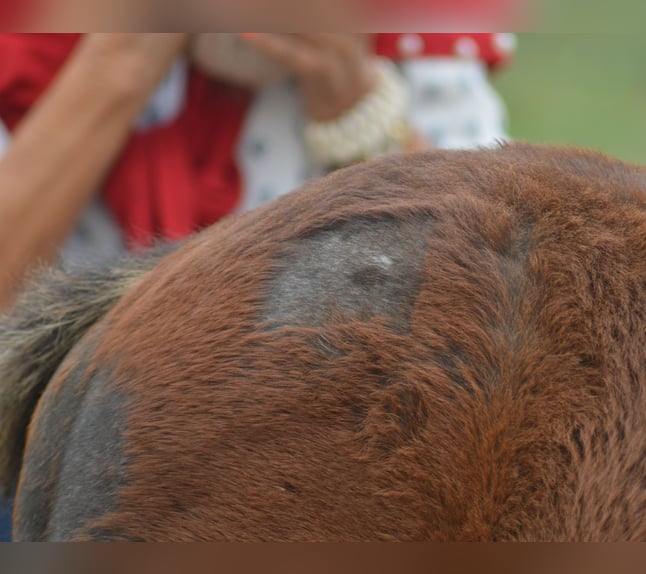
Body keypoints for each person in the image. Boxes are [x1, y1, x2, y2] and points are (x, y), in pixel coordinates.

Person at [0, 32, 514, 539]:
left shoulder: (415, 44)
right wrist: (123, 59)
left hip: (324, 461)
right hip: (45, 459)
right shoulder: (26, 45)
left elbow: (486, 329)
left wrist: (354, 102)